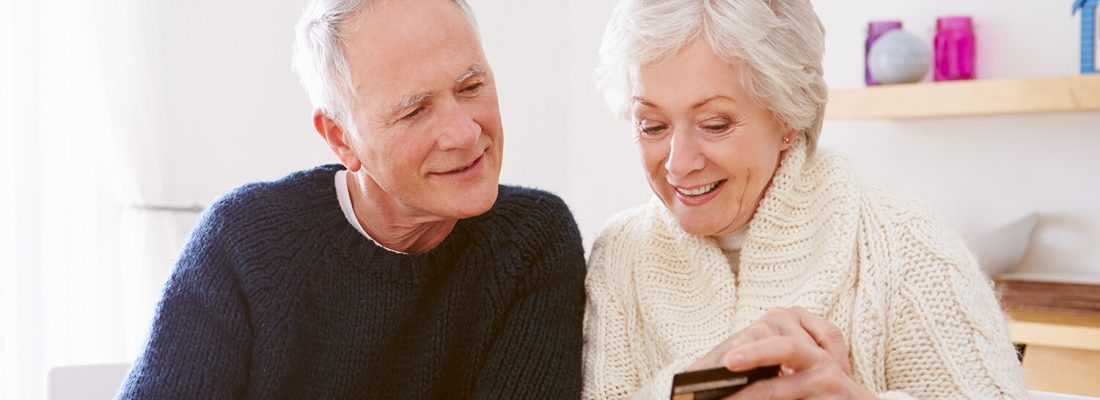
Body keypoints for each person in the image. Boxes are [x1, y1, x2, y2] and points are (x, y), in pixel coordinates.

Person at [118, 0, 587, 398]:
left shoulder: (532, 241)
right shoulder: (245, 243)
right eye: (415, 110)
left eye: (471, 87)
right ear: (341, 139)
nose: (465, 134)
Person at [582, 0, 1027, 398]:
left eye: (715, 124)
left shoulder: (905, 242)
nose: (678, 164)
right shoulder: (622, 252)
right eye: (652, 126)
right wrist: (699, 383)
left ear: (788, 115)